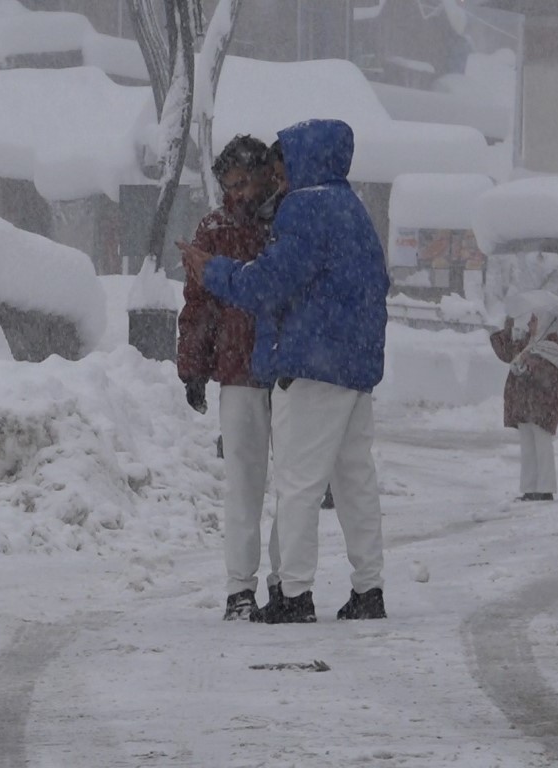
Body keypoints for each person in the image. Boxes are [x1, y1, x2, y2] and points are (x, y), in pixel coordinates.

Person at [178, 118, 390, 624]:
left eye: (278, 168)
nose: (278, 179)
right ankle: (369, 589)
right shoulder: (352, 208)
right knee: (355, 479)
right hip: (356, 367)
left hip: (313, 366)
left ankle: (293, 593)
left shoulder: (305, 209)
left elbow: (267, 284)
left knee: (296, 483)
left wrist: (211, 270)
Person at [176, 135, 283, 620]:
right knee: (244, 483)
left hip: (286, 370)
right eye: (228, 185)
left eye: (242, 183)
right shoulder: (214, 229)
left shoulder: (288, 221)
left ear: (264, 175)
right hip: (239, 371)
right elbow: (199, 305)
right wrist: (194, 368)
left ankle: (285, 582)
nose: (235, 194)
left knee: (294, 485)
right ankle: (240, 588)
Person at [491, 313, 558, 501]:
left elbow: (548, 375)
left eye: (533, 320)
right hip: (524, 404)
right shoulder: (528, 342)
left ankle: (545, 489)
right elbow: (506, 353)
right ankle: (530, 487)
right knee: (527, 448)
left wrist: (529, 365)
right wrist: (507, 328)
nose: (528, 323)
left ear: (544, 324)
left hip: (542, 406)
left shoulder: (554, 347)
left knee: (542, 447)